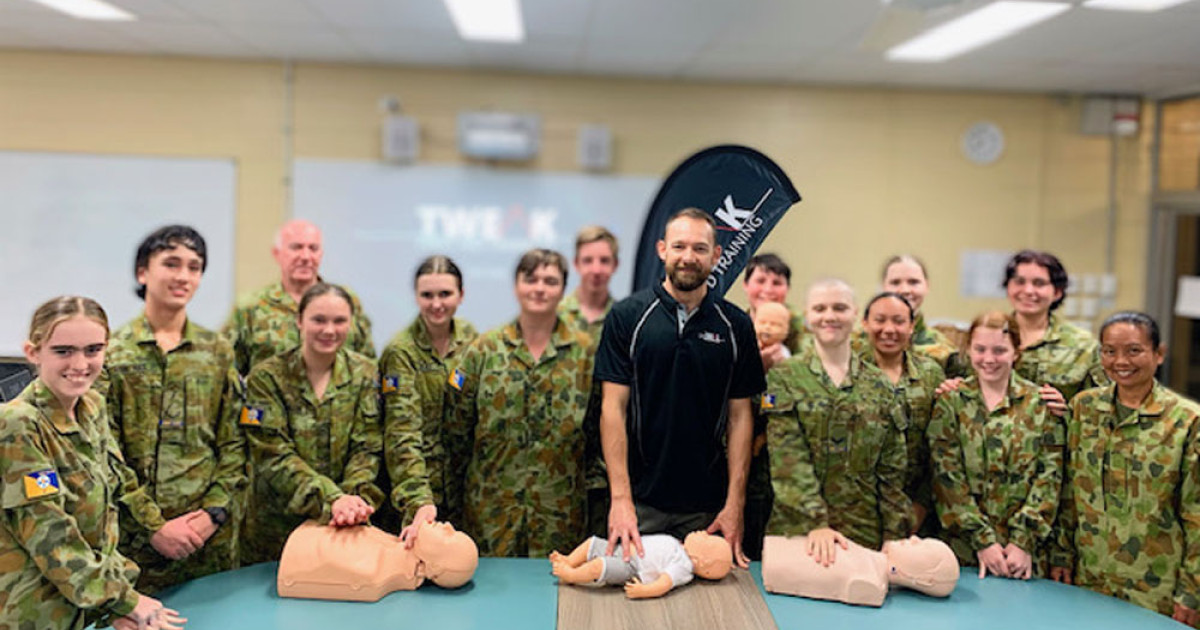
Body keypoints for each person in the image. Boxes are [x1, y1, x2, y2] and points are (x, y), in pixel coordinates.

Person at [0, 296, 184, 629]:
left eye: (93, 350)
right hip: (34, 613)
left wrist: (115, 604)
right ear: (33, 352)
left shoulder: (92, 407)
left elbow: (105, 516)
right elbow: (49, 534)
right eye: (63, 351)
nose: (80, 363)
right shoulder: (17, 424)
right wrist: (124, 600)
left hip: (86, 605)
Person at [595, 208, 764, 567]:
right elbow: (612, 408)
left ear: (716, 256)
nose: (689, 257)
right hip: (640, 503)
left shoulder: (736, 325)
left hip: (708, 508)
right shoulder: (627, 317)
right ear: (662, 250)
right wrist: (620, 500)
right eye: (679, 246)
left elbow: (740, 418)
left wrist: (735, 504)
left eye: (700, 249)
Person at [101, 226, 246, 593]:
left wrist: (214, 513)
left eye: (194, 267)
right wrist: (154, 527)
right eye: (171, 263)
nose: (183, 276)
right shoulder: (111, 353)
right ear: (142, 272)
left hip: (206, 543)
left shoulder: (217, 351)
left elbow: (235, 444)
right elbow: (104, 450)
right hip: (133, 545)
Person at [1050, 312, 1200, 625]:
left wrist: (1192, 591)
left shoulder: (1187, 421)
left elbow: (1196, 512)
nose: (1121, 361)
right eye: (1109, 351)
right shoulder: (1084, 408)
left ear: (1159, 354)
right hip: (1089, 578)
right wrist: (1062, 553)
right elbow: (1068, 489)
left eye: (1134, 350)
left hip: (1156, 587)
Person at [446, 249, 595, 557]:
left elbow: (597, 432)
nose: (539, 288)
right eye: (531, 279)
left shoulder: (586, 354)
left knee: (556, 600)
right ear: (516, 286)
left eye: (550, 281)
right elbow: (456, 430)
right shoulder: (483, 350)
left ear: (563, 289)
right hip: (492, 518)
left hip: (560, 518)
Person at [762, 279, 910, 564]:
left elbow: (892, 470)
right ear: (807, 316)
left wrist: (895, 536)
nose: (829, 316)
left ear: (855, 315)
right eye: (820, 308)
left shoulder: (879, 384)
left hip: (863, 535)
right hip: (799, 532)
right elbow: (787, 458)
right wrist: (816, 521)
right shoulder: (784, 377)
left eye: (839, 308)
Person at [241, 283, 384, 564]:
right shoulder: (267, 378)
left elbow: (367, 448)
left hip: (346, 527)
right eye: (318, 320)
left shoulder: (367, 375)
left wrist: (350, 504)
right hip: (276, 533)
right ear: (299, 320)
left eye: (339, 321)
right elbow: (273, 455)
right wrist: (331, 499)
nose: (329, 330)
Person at [928, 311, 1062, 580]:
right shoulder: (951, 402)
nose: (989, 359)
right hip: (963, 552)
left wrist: (1023, 541)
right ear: (968, 350)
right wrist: (983, 541)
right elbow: (947, 478)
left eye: (1000, 350)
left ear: (1016, 351)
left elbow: (1049, 476)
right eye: (980, 349)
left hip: (1025, 555)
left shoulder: (1041, 404)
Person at [380, 255, 477, 541]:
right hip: (416, 493)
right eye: (427, 295)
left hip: (464, 493)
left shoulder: (473, 340)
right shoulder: (401, 351)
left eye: (445, 294)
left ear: (461, 295)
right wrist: (419, 500)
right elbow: (402, 433)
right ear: (416, 297)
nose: (437, 304)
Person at [223, 219, 374, 375]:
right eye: (296, 248)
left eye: (313, 248)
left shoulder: (345, 302)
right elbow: (227, 370)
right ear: (277, 254)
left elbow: (367, 365)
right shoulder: (250, 307)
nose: (305, 256)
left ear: (321, 254)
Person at [858, 292, 945, 536]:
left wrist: (921, 505)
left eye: (898, 321)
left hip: (918, 507)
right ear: (865, 323)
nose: (889, 329)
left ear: (911, 326)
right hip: (859, 510)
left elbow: (940, 447)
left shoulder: (931, 374)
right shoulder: (847, 371)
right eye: (880, 320)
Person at [556, 226, 619, 539]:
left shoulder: (624, 319)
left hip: (605, 466)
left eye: (605, 260)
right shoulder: (553, 316)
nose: (597, 269)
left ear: (615, 266)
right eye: (589, 260)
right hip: (558, 464)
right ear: (577, 264)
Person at [277, 520, 478, 601]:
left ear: (434, 567)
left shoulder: (372, 571)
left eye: (449, 537)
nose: (448, 525)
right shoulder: (385, 542)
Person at [762, 535, 958, 607]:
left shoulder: (870, 582)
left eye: (922, 547)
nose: (914, 537)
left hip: (775, 567)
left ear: (925, 581)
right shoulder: (870, 560)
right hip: (776, 550)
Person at [549, 531, 733, 599]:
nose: (703, 532)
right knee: (592, 543)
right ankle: (569, 561)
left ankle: (571, 575)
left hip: (632, 567)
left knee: (599, 566)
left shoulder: (683, 567)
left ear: (703, 562)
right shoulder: (679, 546)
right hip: (625, 549)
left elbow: (664, 583)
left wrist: (644, 591)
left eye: (707, 539)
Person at [879, 255, 956, 369]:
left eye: (913, 282)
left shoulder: (944, 349)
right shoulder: (858, 343)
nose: (905, 290)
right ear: (883, 287)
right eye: (895, 282)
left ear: (926, 286)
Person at [743, 253, 805, 360]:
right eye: (760, 281)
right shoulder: (735, 324)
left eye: (777, 283)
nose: (768, 290)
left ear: (788, 288)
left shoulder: (802, 325)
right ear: (746, 285)